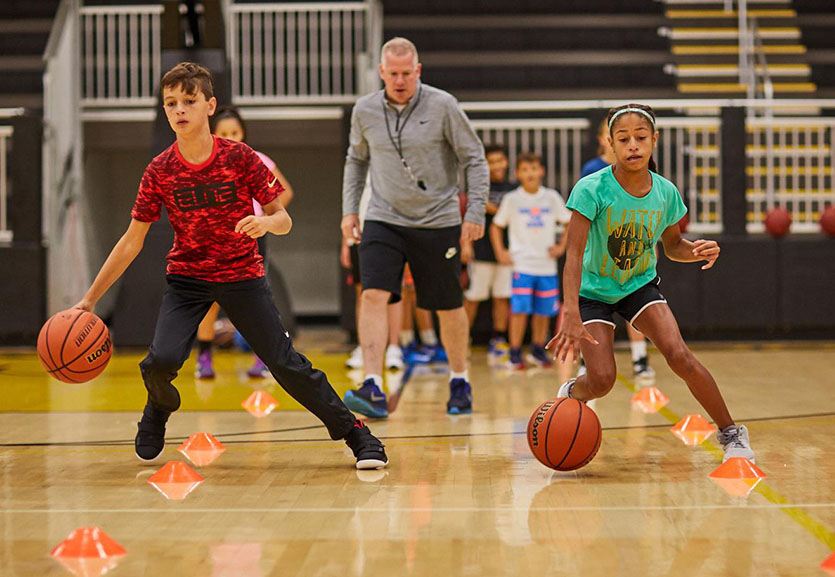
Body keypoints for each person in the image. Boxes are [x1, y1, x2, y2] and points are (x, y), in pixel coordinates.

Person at [73, 62, 387, 469]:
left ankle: (355, 434)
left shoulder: (241, 158)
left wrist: (266, 222)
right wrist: (89, 299)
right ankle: (157, 411)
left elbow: (284, 219)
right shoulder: (160, 170)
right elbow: (132, 241)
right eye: (171, 103)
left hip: (243, 278)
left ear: (209, 106)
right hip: (187, 281)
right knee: (161, 361)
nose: (179, 110)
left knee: (287, 366)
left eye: (189, 101)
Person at [548, 103, 754, 463]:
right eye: (623, 139)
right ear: (610, 143)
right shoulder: (591, 188)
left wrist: (699, 251)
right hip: (591, 293)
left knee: (680, 356)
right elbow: (574, 255)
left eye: (641, 138)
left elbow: (673, 247)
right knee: (602, 380)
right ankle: (570, 392)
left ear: (654, 140)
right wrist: (570, 311)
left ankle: (731, 433)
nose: (633, 146)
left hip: (638, 286)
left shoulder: (665, 193)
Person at [340, 37, 489, 418]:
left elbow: (474, 159)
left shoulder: (443, 106)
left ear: (418, 71)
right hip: (383, 217)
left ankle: (460, 380)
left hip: (437, 220)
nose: (401, 80)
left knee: (448, 306)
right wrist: (349, 211)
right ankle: (372, 385)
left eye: (407, 73)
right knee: (372, 293)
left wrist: (474, 213)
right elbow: (356, 161)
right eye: (393, 74)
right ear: (381, 72)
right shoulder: (365, 109)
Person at [194, 106, 295, 380]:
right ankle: (204, 357)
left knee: (256, 300)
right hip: (216, 239)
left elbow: (284, 193)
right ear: (214, 134)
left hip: (251, 238)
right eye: (224, 133)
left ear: (243, 133)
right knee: (210, 298)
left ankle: (262, 358)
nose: (230, 137)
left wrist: (264, 217)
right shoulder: (205, 162)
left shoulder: (257, 159)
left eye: (235, 132)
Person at [579, 119, 655, 381]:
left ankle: (640, 358)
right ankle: (585, 360)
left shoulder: (641, 171)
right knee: (592, 313)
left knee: (638, 307)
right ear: (606, 139)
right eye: (622, 137)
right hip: (600, 253)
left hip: (633, 248)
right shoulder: (592, 172)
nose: (631, 143)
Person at [490, 152, 570, 370]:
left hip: (546, 266)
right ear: (518, 174)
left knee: (543, 311)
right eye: (525, 169)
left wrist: (561, 246)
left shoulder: (551, 197)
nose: (530, 173)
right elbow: (496, 226)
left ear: (541, 171)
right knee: (520, 310)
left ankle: (537, 349)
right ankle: (515, 351)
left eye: (534, 168)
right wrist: (501, 251)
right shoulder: (512, 199)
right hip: (521, 265)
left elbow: (568, 222)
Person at [343, 176, 404, 372]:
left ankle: (394, 348)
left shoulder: (395, 161)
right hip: (358, 236)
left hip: (392, 235)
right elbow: (349, 206)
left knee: (394, 294)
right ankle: (364, 346)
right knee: (363, 293)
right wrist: (346, 242)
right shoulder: (356, 166)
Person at [462, 145, 516, 360]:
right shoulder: (478, 189)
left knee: (502, 297)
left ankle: (499, 338)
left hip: (507, 252)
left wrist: (495, 209)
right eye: (490, 161)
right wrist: (466, 244)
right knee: (474, 296)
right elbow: (467, 218)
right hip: (481, 250)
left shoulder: (514, 189)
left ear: (506, 163)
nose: (496, 166)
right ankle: (462, 338)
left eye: (499, 160)